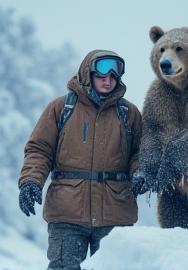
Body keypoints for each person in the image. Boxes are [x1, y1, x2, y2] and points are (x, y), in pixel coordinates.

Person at [18, 50, 142, 270]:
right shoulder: (61, 108)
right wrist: (30, 181)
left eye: (113, 77)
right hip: (67, 213)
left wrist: (141, 171)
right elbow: (39, 150)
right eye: (102, 76)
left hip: (115, 213)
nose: (108, 81)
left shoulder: (128, 113)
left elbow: (141, 153)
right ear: (87, 75)